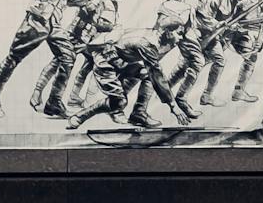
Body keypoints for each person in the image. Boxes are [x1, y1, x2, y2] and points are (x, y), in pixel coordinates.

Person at [117, 0, 210, 101]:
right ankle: (121, 97)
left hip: (186, 27)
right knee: (150, 59)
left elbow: (199, 8)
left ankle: (179, 99)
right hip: (170, 21)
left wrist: (212, 25)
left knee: (197, 60)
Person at [66, 24, 198, 130]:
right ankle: (80, 116)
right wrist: (173, 107)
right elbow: (157, 75)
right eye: (179, 34)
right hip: (105, 62)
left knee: (146, 75)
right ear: (169, 33)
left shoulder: (153, 36)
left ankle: (138, 113)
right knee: (119, 102)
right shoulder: (148, 44)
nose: (181, 39)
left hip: (120, 61)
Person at [31, 0, 125, 116]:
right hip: (78, 34)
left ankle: (71, 98)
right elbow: (88, 13)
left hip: (87, 37)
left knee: (86, 63)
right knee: (59, 62)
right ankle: (41, 96)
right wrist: (110, 27)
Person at [196, 0, 263, 105]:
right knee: (203, 60)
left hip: (240, 39)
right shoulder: (249, 3)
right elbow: (231, 13)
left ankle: (238, 92)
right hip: (227, 34)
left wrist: (260, 44)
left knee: (252, 57)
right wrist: (229, 25)